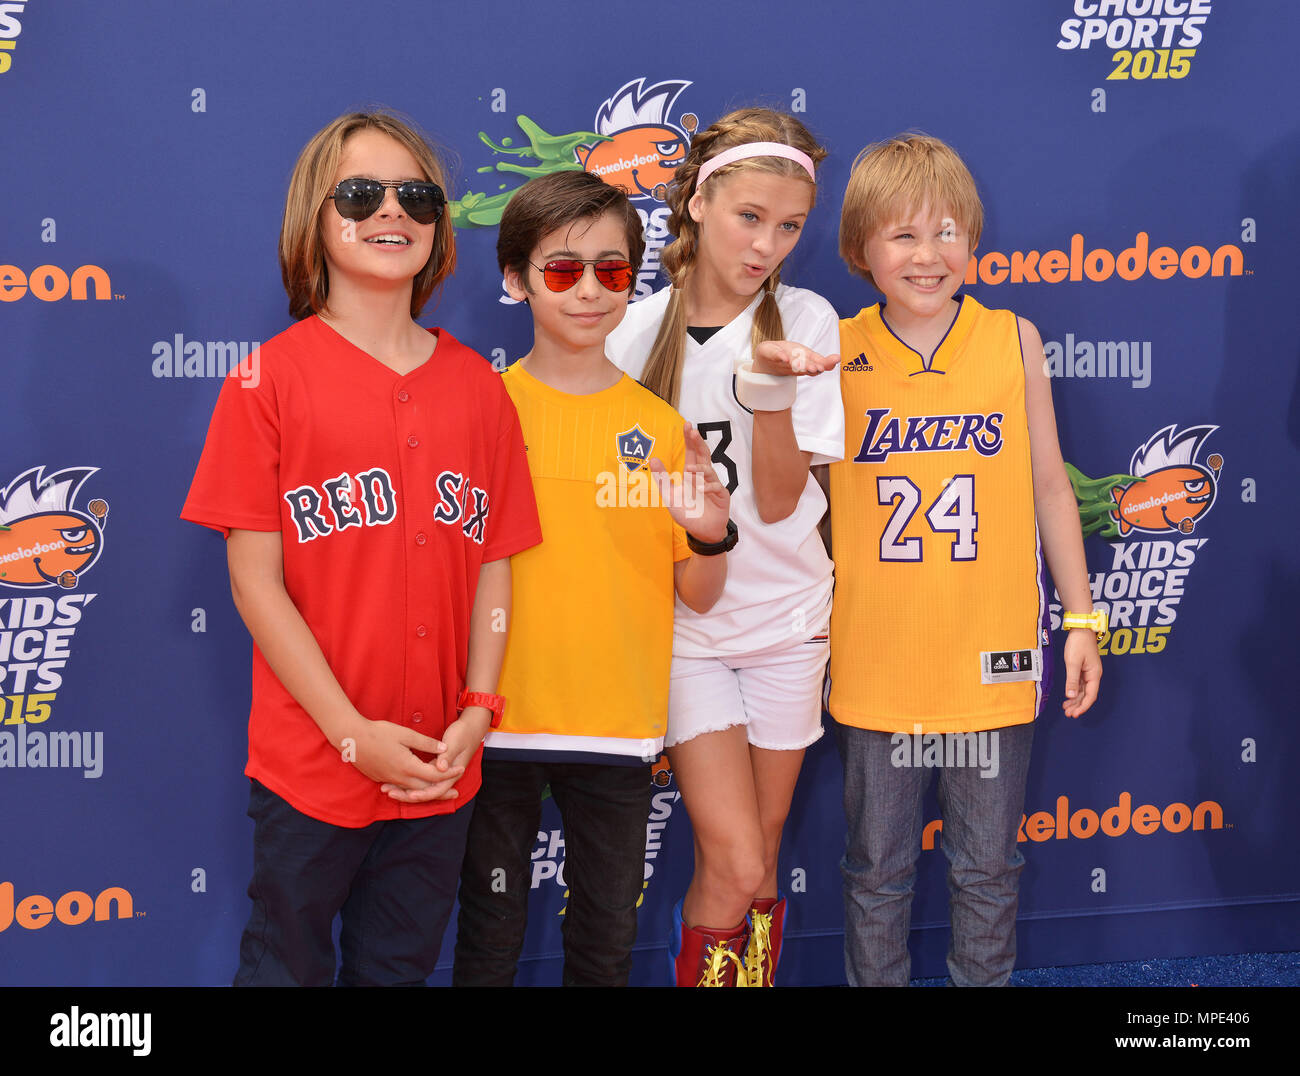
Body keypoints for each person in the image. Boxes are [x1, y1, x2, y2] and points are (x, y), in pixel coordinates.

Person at [181, 110, 541, 986]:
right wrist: (348, 734)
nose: (393, 211)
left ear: (440, 226)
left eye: (416, 195)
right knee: (286, 964)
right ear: (316, 216)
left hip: (437, 764)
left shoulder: (478, 389)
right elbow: (254, 583)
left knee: (400, 968)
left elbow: (494, 564)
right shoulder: (266, 381)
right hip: (315, 763)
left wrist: (478, 710)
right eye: (361, 193)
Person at [829, 133, 1103, 986]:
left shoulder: (1013, 338)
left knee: (987, 870)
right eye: (904, 235)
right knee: (877, 871)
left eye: (948, 232)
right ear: (861, 249)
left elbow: (1052, 488)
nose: (928, 255)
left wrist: (1083, 617)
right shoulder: (829, 350)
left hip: (991, 654)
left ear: (974, 246)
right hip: (878, 657)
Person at [451, 170, 732, 987]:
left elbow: (697, 595)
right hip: (494, 727)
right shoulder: (480, 413)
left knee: (605, 949)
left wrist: (712, 538)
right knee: (488, 939)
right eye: (562, 269)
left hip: (618, 733)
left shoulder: (662, 427)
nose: (588, 292)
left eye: (611, 271)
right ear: (515, 279)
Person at [606, 108, 844, 987]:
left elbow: (783, 504)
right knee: (738, 859)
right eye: (749, 217)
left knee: (759, 856)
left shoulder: (809, 319)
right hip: (686, 632)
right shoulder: (629, 334)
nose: (766, 245)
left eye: (788, 227)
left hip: (789, 623)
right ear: (700, 202)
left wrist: (769, 390)